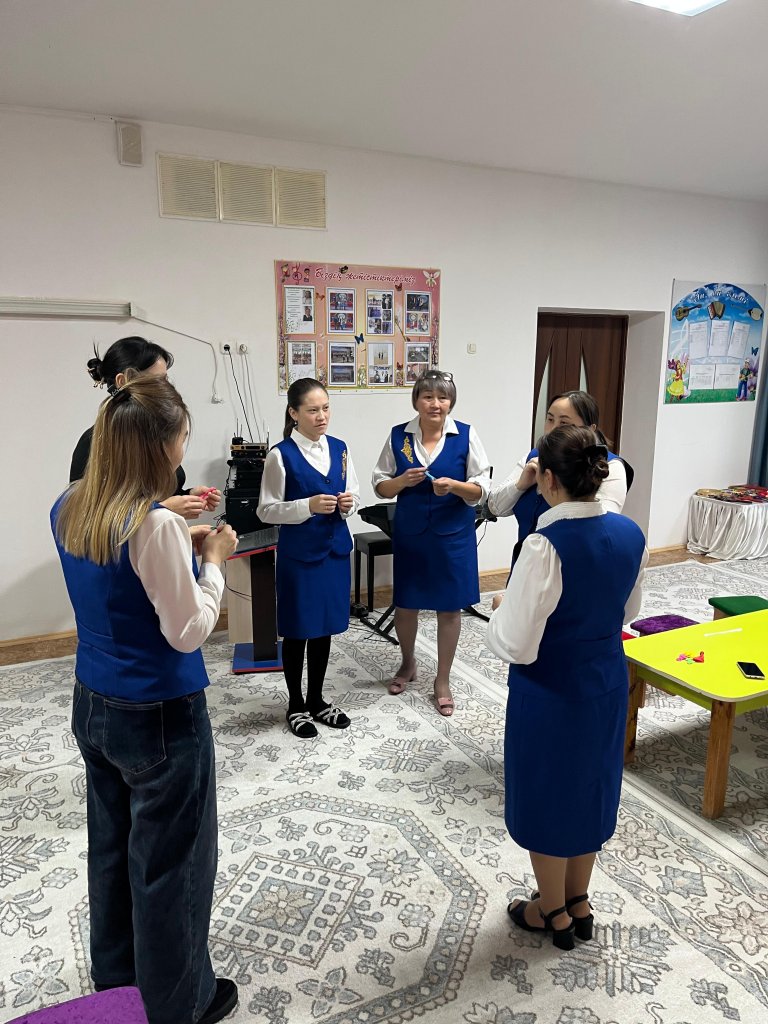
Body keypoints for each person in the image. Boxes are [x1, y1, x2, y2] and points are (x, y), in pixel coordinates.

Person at [51, 375, 239, 1024]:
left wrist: (177, 535)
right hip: (159, 713)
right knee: (173, 864)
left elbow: (121, 563)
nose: (184, 449)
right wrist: (212, 560)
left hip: (94, 700)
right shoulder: (153, 525)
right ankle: (181, 1002)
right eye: (183, 438)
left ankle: (118, 980)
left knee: (111, 847)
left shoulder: (72, 504)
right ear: (161, 448)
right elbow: (188, 630)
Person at [486, 425, 646, 950]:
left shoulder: (545, 544)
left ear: (549, 480)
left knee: (548, 792)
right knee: (590, 785)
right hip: (605, 679)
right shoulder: (631, 533)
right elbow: (628, 611)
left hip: (551, 688)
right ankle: (579, 900)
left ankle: (549, 909)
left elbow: (515, 644)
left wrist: (503, 608)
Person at [372, 369, 491, 716]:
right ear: (416, 401)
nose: (435, 404)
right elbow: (380, 485)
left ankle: (442, 679)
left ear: (451, 402)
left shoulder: (466, 435)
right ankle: (408, 662)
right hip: (412, 534)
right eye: (428, 397)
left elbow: (482, 488)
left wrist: (454, 486)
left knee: (449, 608)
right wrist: (402, 482)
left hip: (453, 537)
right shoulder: (399, 436)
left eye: (442, 397)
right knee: (406, 604)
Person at [257, 377, 359, 738]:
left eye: (326, 408)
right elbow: (266, 510)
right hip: (300, 558)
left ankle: (316, 699)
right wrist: (307, 506)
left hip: (334, 553)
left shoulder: (341, 449)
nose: (322, 416)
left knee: (323, 628)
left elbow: (354, 492)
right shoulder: (280, 455)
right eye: (313, 410)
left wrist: (348, 504)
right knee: (298, 629)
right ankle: (295, 704)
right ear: (294, 413)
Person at [70, 336, 222, 520]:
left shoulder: (158, 430)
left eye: (166, 379)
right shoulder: (96, 441)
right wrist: (161, 511)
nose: (166, 388)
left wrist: (186, 496)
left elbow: (157, 492)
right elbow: (90, 519)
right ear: (123, 381)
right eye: (158, 380)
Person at [488, 390, 629, 566]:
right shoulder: (534, 457)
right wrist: (520, 485)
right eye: (550, 419)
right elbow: (495, 507)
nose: (553, 429)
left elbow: (599, 527)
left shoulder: (609, 467)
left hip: (570, 566)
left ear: (590, 429)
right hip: (526, 564)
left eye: (564, 423)